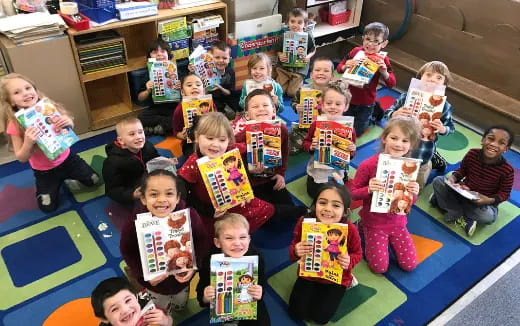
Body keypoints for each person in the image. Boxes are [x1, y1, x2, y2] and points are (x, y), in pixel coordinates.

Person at [1, 73, 99, 212]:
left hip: (68, 160)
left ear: (35, 89)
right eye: (17, 92)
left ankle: (69, 178)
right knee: (48, 207)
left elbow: (68, 129)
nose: (25, 93)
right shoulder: (15, 124)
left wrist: (69, 123)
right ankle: (54, 184)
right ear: (11, 101)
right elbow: (21, 157)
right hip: (44, 172)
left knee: (94, 181)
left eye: (28, 88)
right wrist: (28, 142)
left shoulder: (48, 107)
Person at [119, 169, 210, 313]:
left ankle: (178, 308)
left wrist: (195, 266)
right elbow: (127, 249)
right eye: (154, 194)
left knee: (180, 303)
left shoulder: (190, 216)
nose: (162, 199)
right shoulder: (134, 223)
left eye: (169, 193)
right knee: (158, 307)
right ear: (143, 198)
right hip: (154, 285)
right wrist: (143, 274)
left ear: (178, 197)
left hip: (182, 280)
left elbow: (202, 241)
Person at [177, 112, 277, 237]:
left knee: (270, 210)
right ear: (197, 137)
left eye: (222, 140)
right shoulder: (193, 163)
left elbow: (252, 148)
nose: (216, 144)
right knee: (213, 236)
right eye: (210, 138)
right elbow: (185, 195)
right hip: (212, 210)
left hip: (237, 201)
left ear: (228, 141)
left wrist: (256, 168)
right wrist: (209, 211)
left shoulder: (232, 151)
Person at [350, 117, 421, 274]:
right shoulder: (368, 165)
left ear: (411, 145)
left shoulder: (408, 168)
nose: (398, 144)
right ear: (384, 138)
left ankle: (366, 230)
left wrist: (414, 193)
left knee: (410, 265)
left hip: (398, 222)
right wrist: (368, 189)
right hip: (374, 223)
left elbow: (409, 202)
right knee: (379, 268)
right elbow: (352, 194)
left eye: (405, 141)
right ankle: (361, 228)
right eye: (394, 138)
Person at [288, 182, 362, 324]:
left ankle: (349, 280)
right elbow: (293, 249)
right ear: (315, 205)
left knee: (321, 318)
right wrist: (296, 250)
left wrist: (349, 261)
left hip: (336, 277)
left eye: (336, 205)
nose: (328, 209)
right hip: (309, 273)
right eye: (322, 203)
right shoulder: (305, 222)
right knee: (296, 313)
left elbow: (357, 253)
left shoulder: (350, 229)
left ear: (345, 211)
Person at [430, 125, 514, 237]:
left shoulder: (507, 170)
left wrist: (488, 200)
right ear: (483, 140)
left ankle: (446, 204)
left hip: (482, 202)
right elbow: (461, 171)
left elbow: (504, 194)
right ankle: (458, 212)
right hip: (464, 191)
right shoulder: (472, 154)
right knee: (438, 181)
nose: (494, 144)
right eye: (491, 138)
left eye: (501, 143)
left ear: (506, 149)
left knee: (488, 217)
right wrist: (453, 179)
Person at [385, 61, 455, 189]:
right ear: (420, 78)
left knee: (415, 188)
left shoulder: (444, 106)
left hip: (423, 155)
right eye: (428, 75)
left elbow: (451, 128)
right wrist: (395, 114)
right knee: (391, 183)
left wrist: (442, 128)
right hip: (397, 150)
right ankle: (436, 158)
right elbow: (387, 113)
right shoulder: (406, 97)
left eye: (438, 78)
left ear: (444, 84)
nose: (432, 80)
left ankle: (435, 159)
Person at [196, 213, 271, 325]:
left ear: (249, 240)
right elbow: (202, 290)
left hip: (250, 304)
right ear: (217, 242)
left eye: (242, 237)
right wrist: (205, 297)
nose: (237, 243)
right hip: (225, 308)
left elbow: (262, 282)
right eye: (229, 238)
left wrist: (260, 292)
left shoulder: (256, 257)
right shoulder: (210, 262)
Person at [234, 89, 298, 206]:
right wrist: (249, 171)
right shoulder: (241, 136)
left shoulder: (282, 129)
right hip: (251, 182)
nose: (261, 109)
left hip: (272, 177)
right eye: (255, 106)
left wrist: (280, 174)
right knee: (263, 211)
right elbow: (235, 166)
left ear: (273, 110)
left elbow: (284, 153)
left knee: (288, 206)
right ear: (247, 115)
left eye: (265, 105)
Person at [337, 22, 396, 136]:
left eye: (376, 41)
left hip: (366, 102)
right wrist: (346, 65)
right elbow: (339, 68)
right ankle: (374, 109)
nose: (370, 44)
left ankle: (374, 112)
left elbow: (392, 84)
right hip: (348, 98)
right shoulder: (355, 52)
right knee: (343, 128)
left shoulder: (383, 59)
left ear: (384, 43)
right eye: (368, 39)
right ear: (363, 38)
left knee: (357, 132)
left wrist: (383, 71)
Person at [302, 80, 357, 198]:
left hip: (336, 171)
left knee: (335, 195)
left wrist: (351, 149)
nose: (333, 107)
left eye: (338, 104)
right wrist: (311, 146)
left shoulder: (349, 129)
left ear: (346, 106)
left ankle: (343, 177)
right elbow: (305, 142)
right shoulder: (316, 124)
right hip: (317, 170)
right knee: (313, 194)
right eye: (329, 103)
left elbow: (351, 154)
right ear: (322, 104)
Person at [102, 118, 160, 207]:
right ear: (121, 140)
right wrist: (132, 194)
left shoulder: (147, 146)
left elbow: (155, 158)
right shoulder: (112, 163)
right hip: (134, 190)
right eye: (132, 134)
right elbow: (112, 190)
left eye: (140, 132)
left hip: (152, 181)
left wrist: (166, 161)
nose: (139, 137)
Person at [289, 57, 335, 155]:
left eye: (326, 71)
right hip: (306, 129)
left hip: (327, 130)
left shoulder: (335, 93)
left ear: (332, 76)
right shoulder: (303, 90)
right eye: (317, 70)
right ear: (311, 75)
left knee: (331, 150)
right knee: (290, 149)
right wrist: (297, 107)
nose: (321, 73)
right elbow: (293, 102)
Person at [137, 38, 179, 136]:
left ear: (168, 55)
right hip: (156, 108)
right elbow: (140, 98)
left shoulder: (175, 70)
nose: (159, 54)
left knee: (181, 115)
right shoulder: (147, 74)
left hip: (173, 107)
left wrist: (180, 88)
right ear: (149, 57)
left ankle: (156, 128)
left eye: (163, 51)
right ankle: (164, 127)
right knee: (141, 117)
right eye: (155, 52)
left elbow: (186, 93)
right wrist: (147, 90)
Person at [91, 277, 173, 326]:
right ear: (104, 319)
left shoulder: (145, 302)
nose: (125, 310)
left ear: (136, 296)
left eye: (128, 300)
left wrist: (165, 320)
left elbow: (169, 321)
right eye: (114, 309)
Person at [189, 41, 240, 119]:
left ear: (229, 59)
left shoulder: (230, 72)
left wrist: (221, 88)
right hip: (207, 101)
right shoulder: (205, 70)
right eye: (217, 57)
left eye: (224, 58)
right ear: (211, 58)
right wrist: (192, 71)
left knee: (233, 114)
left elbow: (230, 92)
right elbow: (193, 86)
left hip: (224, 101)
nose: (221, 60)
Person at [274, 8, 316, 97]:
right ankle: (282, 81)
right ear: (287, 23)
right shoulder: (283, 36)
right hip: (284, 69)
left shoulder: (308, 36)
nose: (295, 25)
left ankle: (300, 85)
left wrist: (308, 57)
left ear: (305, 24)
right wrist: (280, 55)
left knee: (292, 93)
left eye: (299, 22)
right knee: (279, 91)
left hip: (299, 70)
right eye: (292, 21)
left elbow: (313, 49)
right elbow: (277, 49)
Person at [172, 73, 216, 158]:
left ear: (203, 91)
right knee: (194, 157)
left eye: (198, 84)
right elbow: (176, 132)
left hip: (211, 138)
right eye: (189, 85)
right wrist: (182, 135)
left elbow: (218, 121)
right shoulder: (179, 109)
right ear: (182, 92)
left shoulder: (210, 104)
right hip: (191, 143)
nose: (194, 87)